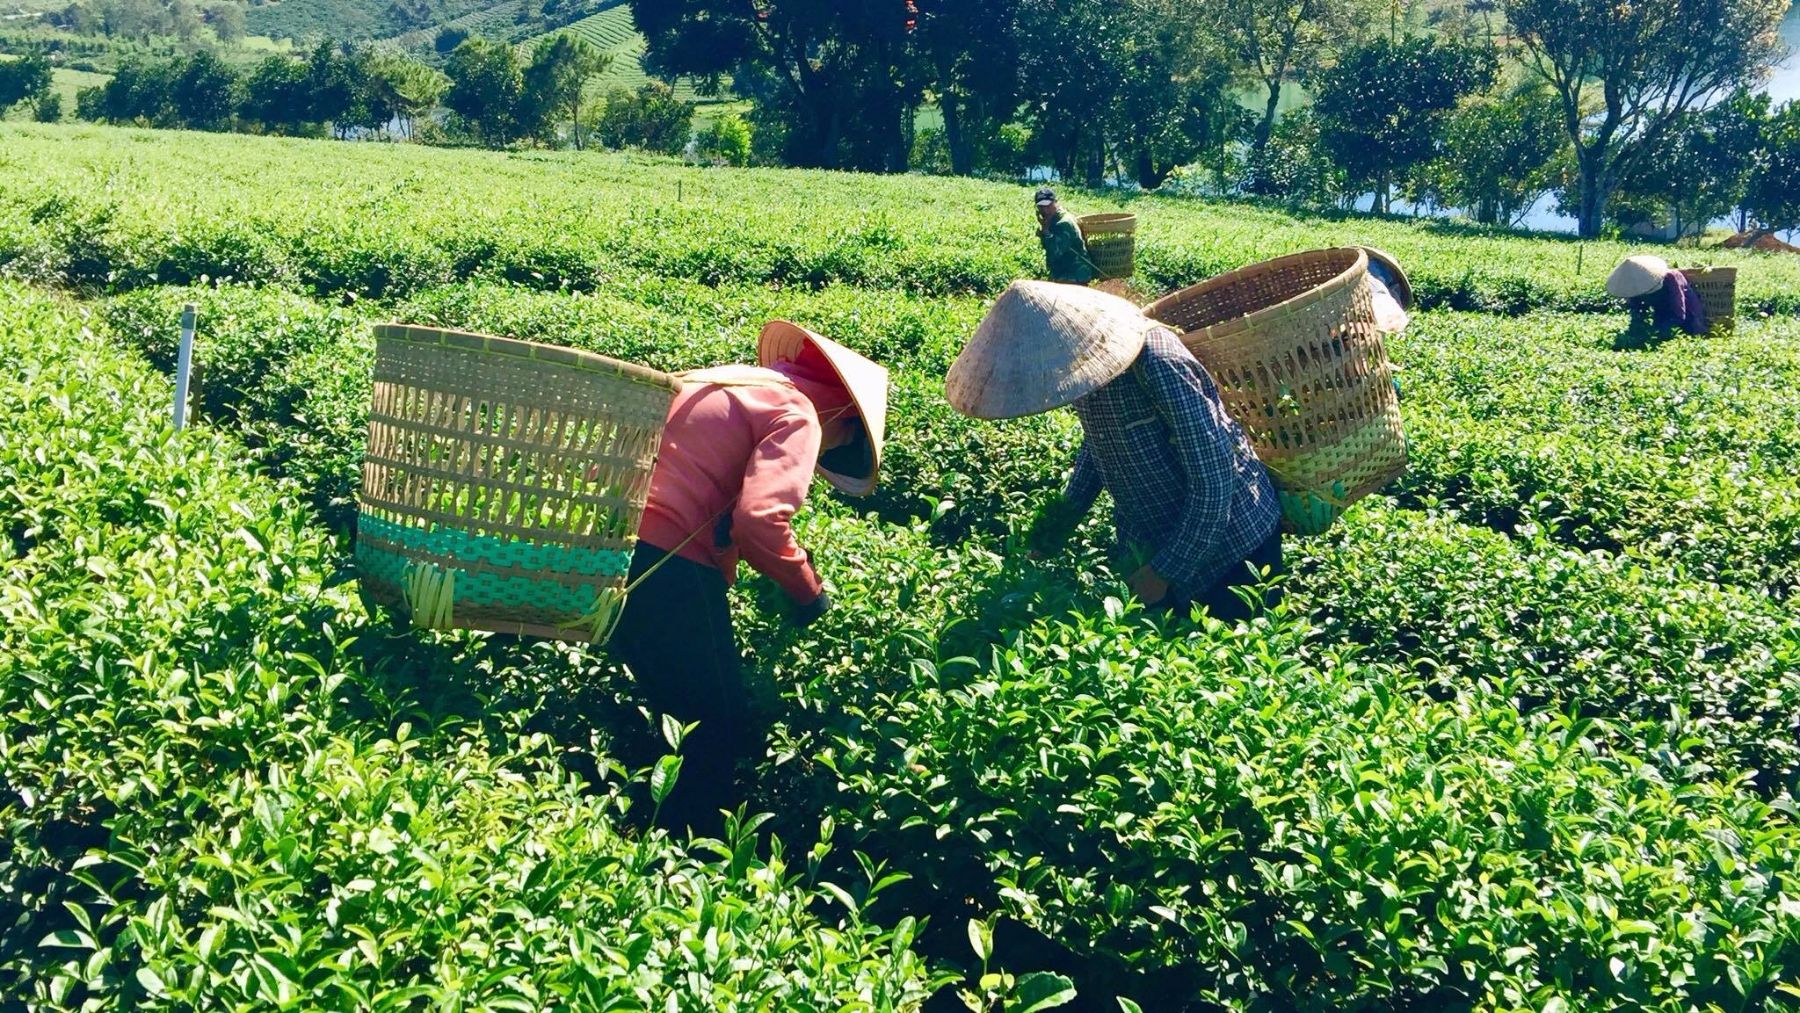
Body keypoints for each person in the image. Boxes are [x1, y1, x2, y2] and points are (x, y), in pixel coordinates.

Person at [610, 321, 888, 836]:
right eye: (841, 441)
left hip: (605, 548)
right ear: (843, 418)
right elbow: (760, 521)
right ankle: (690, 854)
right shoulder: (799, 411)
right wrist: (807, 589)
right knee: (716, 723)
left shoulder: (726, 379)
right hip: (668, 559)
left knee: (674, 706)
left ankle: (640, 832)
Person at [945, 280, 1282, 621]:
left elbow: (1216, 479)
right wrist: (1055, 528)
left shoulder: (1158, 362)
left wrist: (1164, 571)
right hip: (1160, 539)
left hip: (1235, 550)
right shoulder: (1082, 369)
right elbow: (1098, 445)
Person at [1607, 255, 1707, 336]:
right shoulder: (1635, 286)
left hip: (1688, 317)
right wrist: (1637, 328)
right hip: (1660, 314)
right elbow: (1637, 309)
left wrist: (1663, 330)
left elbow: (1679, 312)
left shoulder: (1671, 278)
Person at [1035, 188, 1096, 286]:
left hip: (1074, 273)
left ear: (1055, 202)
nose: (1045, 210)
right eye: (1041, 207)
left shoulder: (1063, 223)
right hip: (1064, 271)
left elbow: (1056, 252)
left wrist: (1046, 233)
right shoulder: (1052, 220)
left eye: (1048, 206)